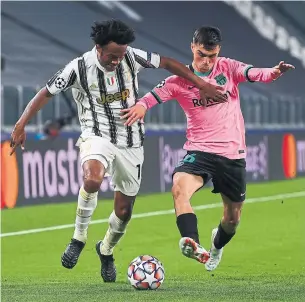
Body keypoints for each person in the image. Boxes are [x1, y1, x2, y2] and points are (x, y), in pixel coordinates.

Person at [9, 20, 226, 282]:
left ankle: (106, 250)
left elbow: (167, 63)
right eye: (112, 56)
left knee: (124, 212)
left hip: (131, 141)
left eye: (121, 55)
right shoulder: (78, 68)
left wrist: (200, 84)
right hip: (96, 134)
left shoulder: (131, 57)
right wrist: (21, 124)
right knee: (92, 178)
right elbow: (45, 92)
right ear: (98, 48)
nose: (117, 61)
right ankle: (78, 238)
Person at [121, 26, 295, 271]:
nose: (206, 61)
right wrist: (141, 106)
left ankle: (216, 245)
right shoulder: (179, 80)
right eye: (201, 54)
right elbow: (153, 96)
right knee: (179, 188)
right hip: (200, 151)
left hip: (232, 155)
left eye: (211, 56)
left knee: (232, 220)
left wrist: (274, 72)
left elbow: (254, 73)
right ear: (192, 47)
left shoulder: (228, 68)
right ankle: (193, 242)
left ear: (219, 51)